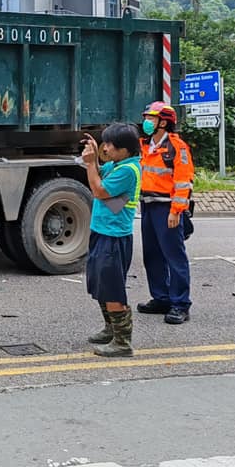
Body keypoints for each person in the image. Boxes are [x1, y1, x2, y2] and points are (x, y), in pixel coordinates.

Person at [80, 123, 142, 358]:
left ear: (125, 149)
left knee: (113, 290)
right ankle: (111, 329)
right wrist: (94, 158)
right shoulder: (118, 164)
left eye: (110, 145)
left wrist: (89, 164)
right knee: (100, 285)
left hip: (114, 237)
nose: (106, 149)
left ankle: (123, 342)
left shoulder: (128, 170)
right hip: (103, 232)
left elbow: (99, 191)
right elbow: (100, 177)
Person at [136, 101, 195, 325]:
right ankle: (161, 298)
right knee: (152, 255)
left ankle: (180, 304)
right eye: (147, 118)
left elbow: (183, 182)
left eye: (151, 119)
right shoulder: (145, 145)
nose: (147, 122)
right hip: (148, 206)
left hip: (167, 208)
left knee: (174, 257)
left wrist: (176, 211)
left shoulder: (177, 148)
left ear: (164, 122)